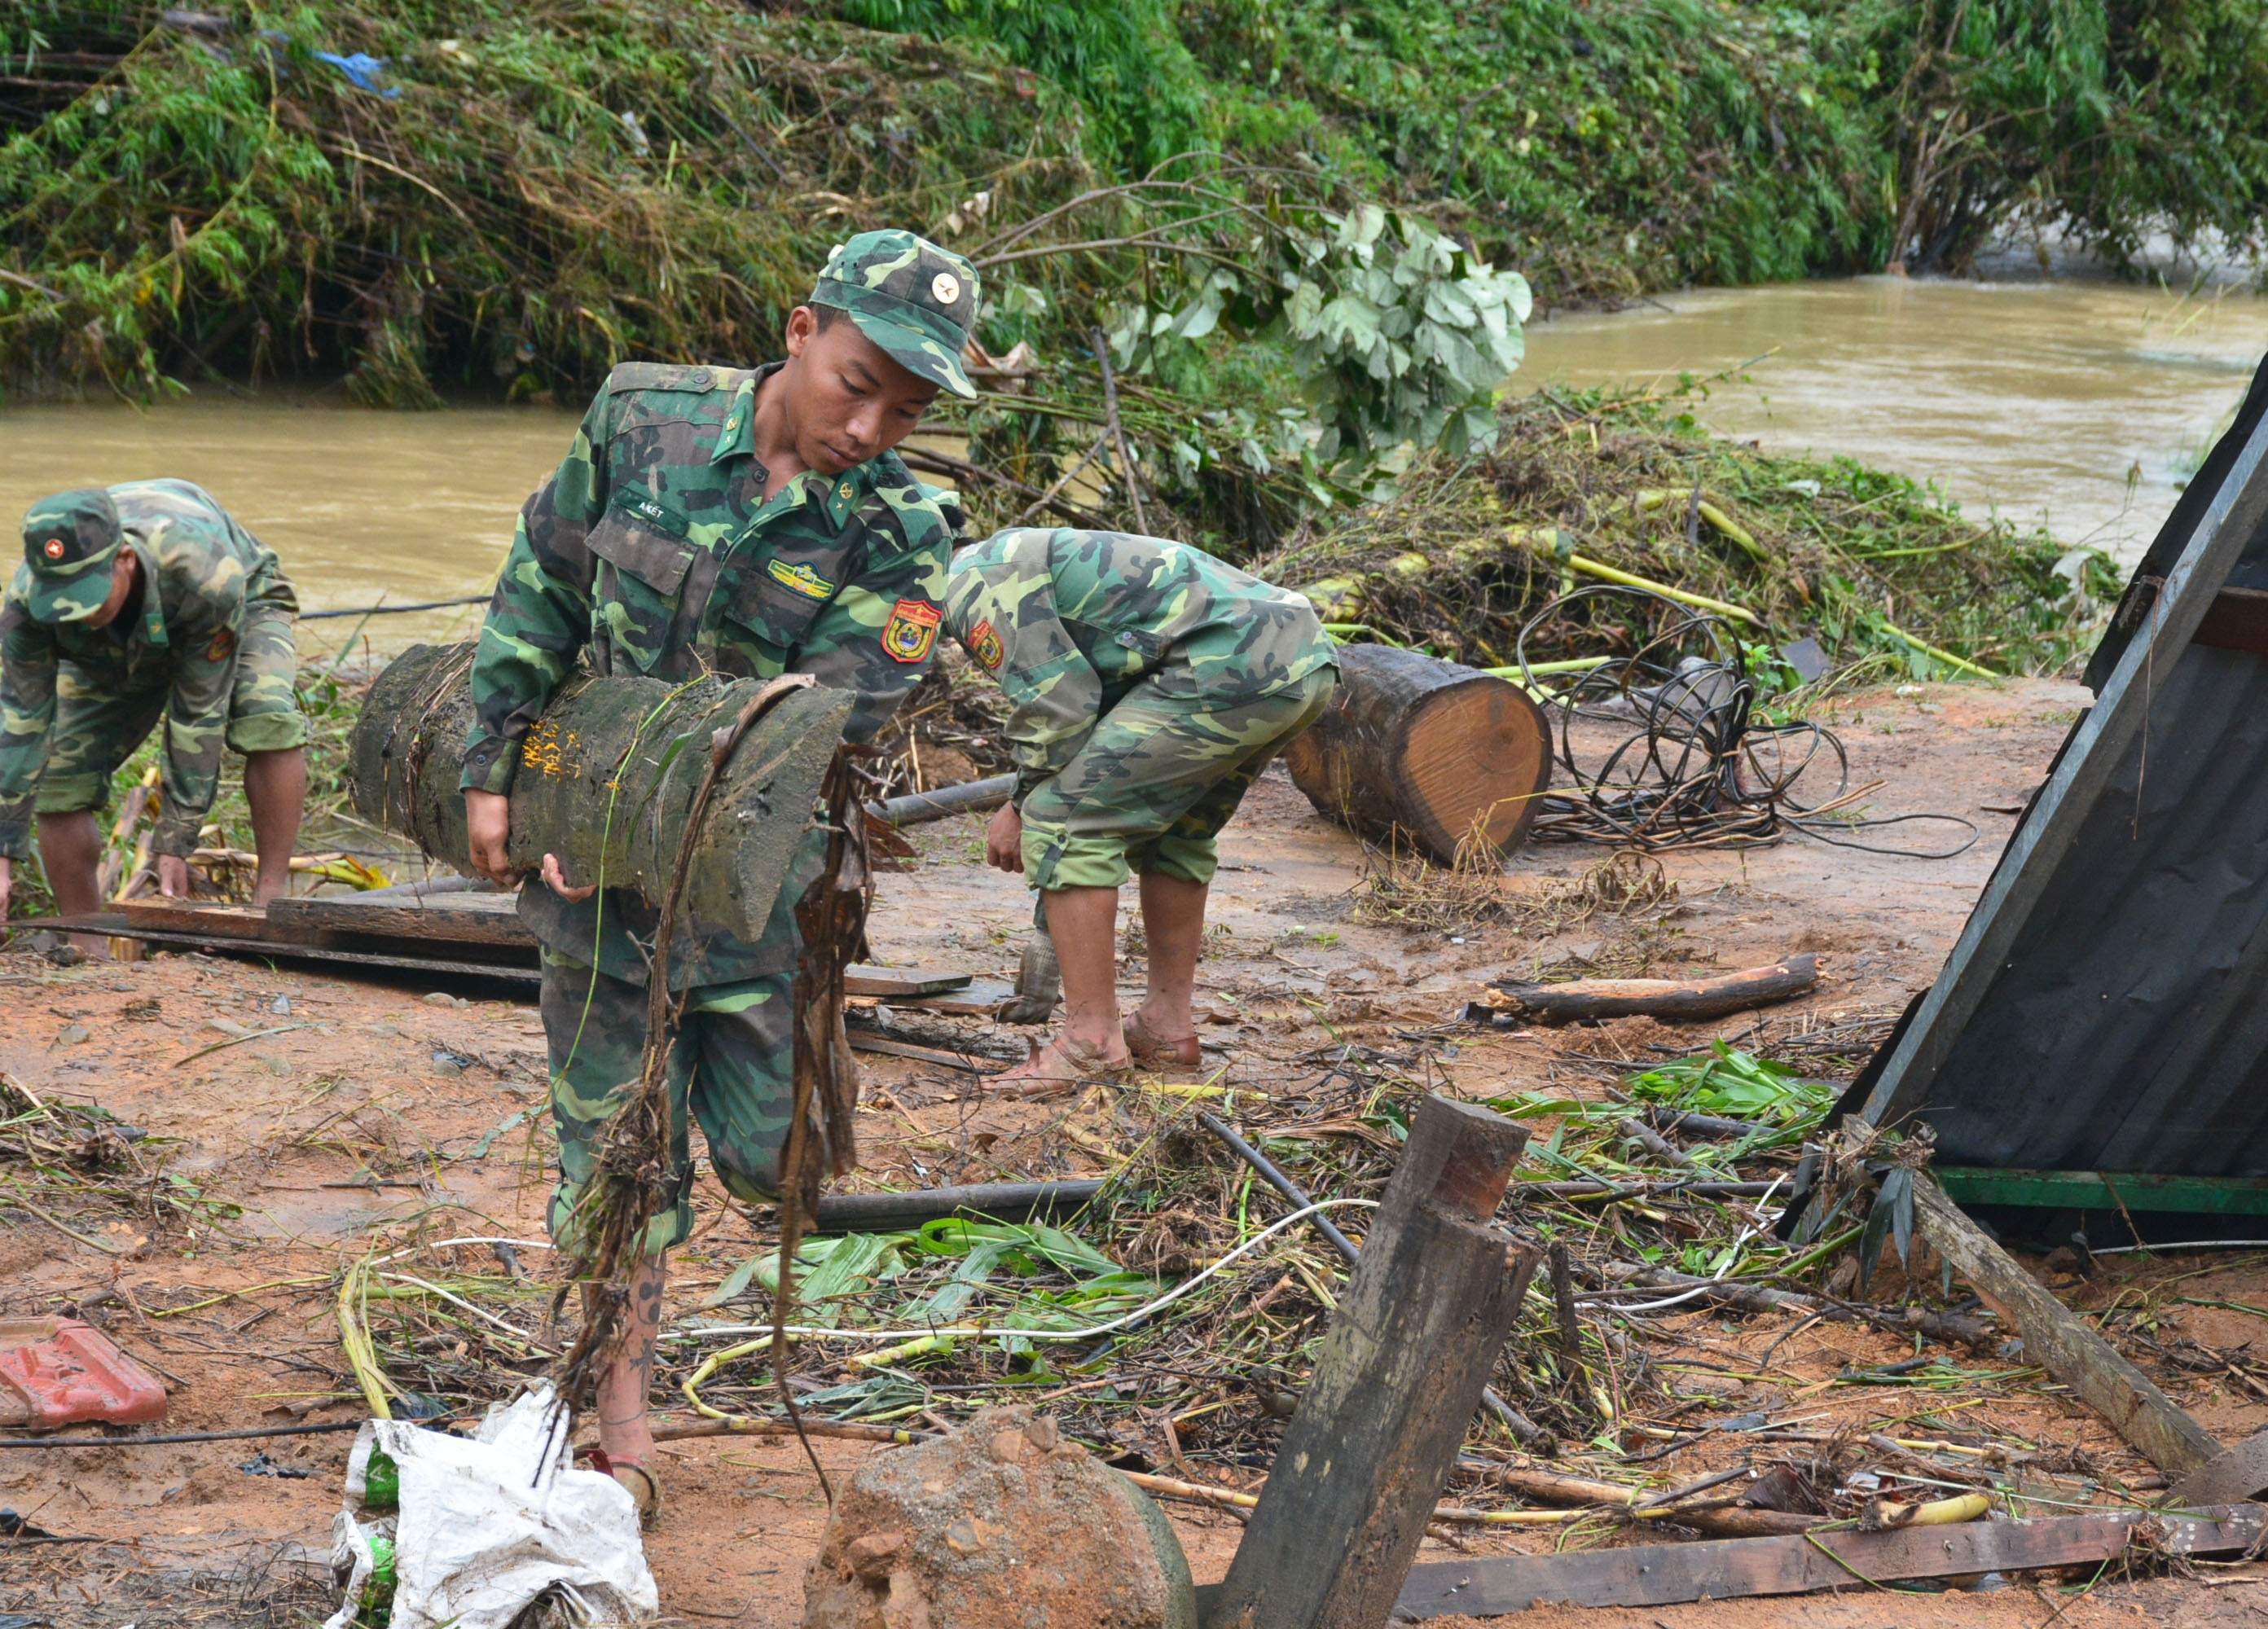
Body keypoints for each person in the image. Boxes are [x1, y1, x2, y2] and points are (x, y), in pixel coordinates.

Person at [457, 230, 978, 1521]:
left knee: (771, 1164)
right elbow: (544, 586)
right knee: (620, 1155)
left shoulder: (904, 537)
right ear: (801, 332)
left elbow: (828, 730)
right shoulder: (642, 423)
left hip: (760, 892)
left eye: (904, 411)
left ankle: (776, 1119)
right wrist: (502, 771)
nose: (870, 425)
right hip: (592, 879)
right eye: (857, 383)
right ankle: (621, 1419)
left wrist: (636, 814)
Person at [941, 527, 1338, 1079]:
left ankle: (1091, 1043)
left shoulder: (969, 579)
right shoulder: (1019, 553)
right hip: (1302, 659)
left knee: (1065, 822)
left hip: (1227, 663)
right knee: (1177, 831)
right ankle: (1165, 1028)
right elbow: (1097, 706)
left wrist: (1023, 802)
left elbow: (1059, 706)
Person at [0, 481, 310, 952]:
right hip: (108, 651)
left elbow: (199, 711)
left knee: (264, 717)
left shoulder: (205, 573)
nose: (76, 612)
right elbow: (21, 722)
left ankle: (272, 905)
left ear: (124, 559)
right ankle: (86, 943)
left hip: (242, 602)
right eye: (61, 598)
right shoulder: (29, 607)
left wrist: (175, 839)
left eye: (87, 593)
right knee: (62, 776)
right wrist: (3, 852)